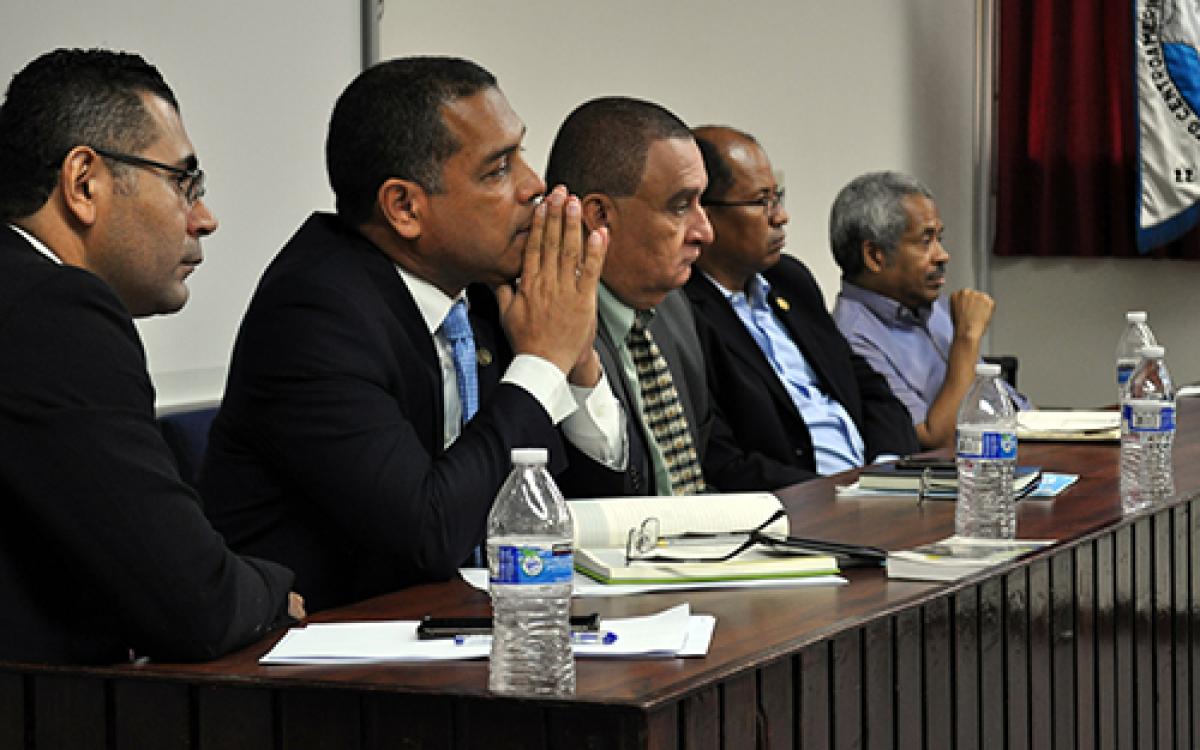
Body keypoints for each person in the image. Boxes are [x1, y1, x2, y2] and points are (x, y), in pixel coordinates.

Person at [199, 57, 616, 611]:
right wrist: (541, 365)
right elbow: (430, 533)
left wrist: (577, 361)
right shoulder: (315, 313)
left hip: (454, 635)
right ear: (404, 207)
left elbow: (602, 510)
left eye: (520, 153)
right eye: (497, 170)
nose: (535, 185)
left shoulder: (488, 289)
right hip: (315, 667)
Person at [0, 48, 303, 664]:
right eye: (183, 182)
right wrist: (276, 588)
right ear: (84, 183)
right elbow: (195, 604)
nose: (205, 218)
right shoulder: (54, 313)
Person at [545, 98, 813, 496]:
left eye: (701, 203)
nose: (704, 231)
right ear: (600, 215)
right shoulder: (543, 320)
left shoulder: (675, 307)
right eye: (680, 206)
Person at [684, 127, 918, 476]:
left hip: (873, 492)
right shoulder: (684, 313)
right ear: (704, 213)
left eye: (778, 198)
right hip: (800, 508)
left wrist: (887, 471)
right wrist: (835, 497)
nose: (780, 216)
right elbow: (723, 463)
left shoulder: (790, 281)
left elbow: (870, 389)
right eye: (761, 202)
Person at [829, 171, 1029, 451]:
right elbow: (940, 442)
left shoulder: (932, 308)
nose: (942, 255)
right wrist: (967, 339)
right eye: (925, 241)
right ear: (875, 256)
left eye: (939, 238)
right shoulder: (854, 339)